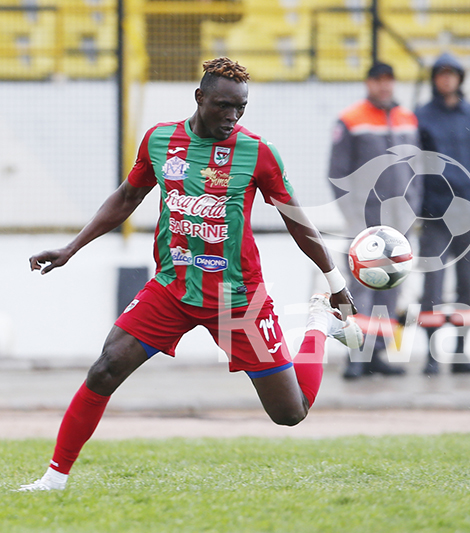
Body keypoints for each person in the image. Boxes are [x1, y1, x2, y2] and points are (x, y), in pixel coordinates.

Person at [20, 58, 363, 491]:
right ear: (200, 98)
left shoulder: (257, 152)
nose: (231, 117)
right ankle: (54, 478)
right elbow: (128, 196)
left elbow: (298, 221)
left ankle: (318, 326)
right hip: (172, 288)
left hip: (238, 297)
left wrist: (334, 283)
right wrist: (71, 248)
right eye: (223, 105)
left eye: (240, 108)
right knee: (105, 369)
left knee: (290, 414)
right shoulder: (160, 140)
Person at [415, 53, 470, 375]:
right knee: (432, 288)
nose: (447, 79)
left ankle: (461, 351)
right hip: (435, 217)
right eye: (441, 73)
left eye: (452, 73)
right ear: (434, 79)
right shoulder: (420, 118)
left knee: (469, 286)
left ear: (460, 78)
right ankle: (430, 353)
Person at [328, 61, 420, 379]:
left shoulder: (407, 118)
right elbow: (337, 174)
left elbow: (416, 170)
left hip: (398, 225)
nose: (384, 86)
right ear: (368, 83)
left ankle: (378, 353)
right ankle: (356, 356)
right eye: (378, 81)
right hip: (364, 226)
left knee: (390, 290)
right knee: (359, 291)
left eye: (388, 80)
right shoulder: (351, 120)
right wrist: (353, 221)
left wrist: (412, 208)